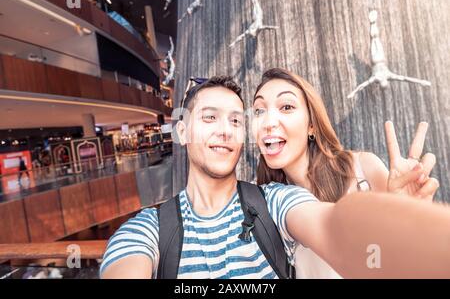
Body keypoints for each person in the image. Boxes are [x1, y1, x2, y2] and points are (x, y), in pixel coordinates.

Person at [100, 76, 450, 279]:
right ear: (181, 132)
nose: (225, 131)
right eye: (209, 118)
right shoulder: (149, 229)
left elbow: (336, 225)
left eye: (236, 120)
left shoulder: (273, 202)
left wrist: (403, 227)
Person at [252, 68, 439, 278]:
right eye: (259, 111)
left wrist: (411, 223)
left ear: (311, 125)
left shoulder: (363, 169)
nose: (268, 122)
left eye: (286, 107)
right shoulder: (263, 207)